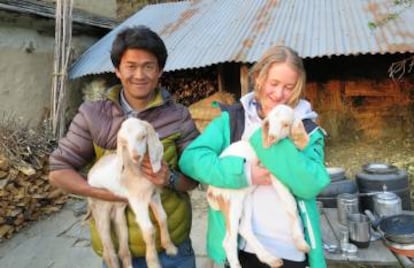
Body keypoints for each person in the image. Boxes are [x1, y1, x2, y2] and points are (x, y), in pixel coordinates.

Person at [48, 25, 199, 268]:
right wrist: (103, 193)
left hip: (172, 251)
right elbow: (58, 170)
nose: (139, 75)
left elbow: (194, 178)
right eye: (131, 66)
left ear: (160, 70)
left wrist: (169, 178)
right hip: (119, 253)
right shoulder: (93, 115)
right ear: (117, 70)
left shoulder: (178, 116)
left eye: (148, 66)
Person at [178, 45, 330, 268]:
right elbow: (191, 159)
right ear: (259, 78)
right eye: (274, 83)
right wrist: (245, 174)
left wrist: (266, 136)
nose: (279, 95)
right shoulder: (233, 120)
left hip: (291, 251)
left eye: (289, 87)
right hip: (241, 248)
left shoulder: (306, 129)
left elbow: (310, 185)